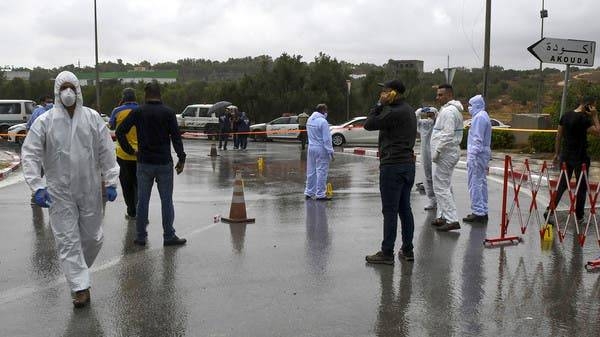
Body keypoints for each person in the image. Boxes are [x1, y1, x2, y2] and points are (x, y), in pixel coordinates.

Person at [21, 71, 119, 308]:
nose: (67, 92)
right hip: (59, 192)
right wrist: (37, 186)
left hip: (90, 188)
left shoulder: (92, 118)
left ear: (78, 90)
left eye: (71, 87)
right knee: (67, 240)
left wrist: (112, 179)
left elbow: (106, 149)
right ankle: (80, 288)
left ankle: (78, 273)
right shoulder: (45, 121)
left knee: (93, 238)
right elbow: (30, 152)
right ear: (57, 92)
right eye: (63, 87)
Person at [116, 81, 187, 247]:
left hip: (144, 163)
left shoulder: (138, 112)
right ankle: (169, 236)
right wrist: (181, 158)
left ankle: (141, 236)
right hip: (164, 163)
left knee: (142, 201)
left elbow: (120, 131)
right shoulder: (169, 113)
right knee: (166, 201)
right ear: (160, 94)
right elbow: (176, 138)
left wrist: (130, 151)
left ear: (145, 95)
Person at [364, 79, 417, 264]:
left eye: (385, 92)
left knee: (390, 210)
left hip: (393, 166)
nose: (381, 95)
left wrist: (379, 105)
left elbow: (369, 124)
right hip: (407, 165)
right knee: (405, 209)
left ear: (394, 93)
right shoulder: (408, 109)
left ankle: (387, 253)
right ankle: (408, 250)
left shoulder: (393, 111)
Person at [544, 96, 600, 224]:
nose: (594, 109)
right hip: (581, 158)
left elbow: (558, 136)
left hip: (565, 155)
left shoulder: (566, 116)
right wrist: (595, 116)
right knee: (581, 187)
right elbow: (598, 132)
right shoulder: (584, 119)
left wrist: (556, 154)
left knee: (562, 184)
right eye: (593, 106)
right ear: (588, 106)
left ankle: (550, 209)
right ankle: (579, 216)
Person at [430, 84, 464, 232]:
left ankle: (452, 219)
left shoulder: (449, 112)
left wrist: (437, 150)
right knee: (444, 185)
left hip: (446, 153)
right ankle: (443, 216)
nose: (438, 97)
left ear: (449, 95)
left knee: (441, 186)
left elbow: (448, 133)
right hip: (448, 152)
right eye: (437, 95)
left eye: (441, 95)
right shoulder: (448, 110)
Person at [109, 88, 139, 220]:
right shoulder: (141, 109)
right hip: (140, 154)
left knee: (126, 184)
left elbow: (112, 126)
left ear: (123, 98)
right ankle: (140, 210)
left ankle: (131, 211)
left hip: (123, 154)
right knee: (139, 184)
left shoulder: (117, 110)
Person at [463, 95, 492, 223]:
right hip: (482, 155)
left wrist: (472, 156)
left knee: (474, 183)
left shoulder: (479, 117)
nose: (469, 107)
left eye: (470, 105)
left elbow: (477, 139)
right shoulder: (483, 115)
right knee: (481, 183)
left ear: (477, 105)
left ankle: (478, 212)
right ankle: (483, 210)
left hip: (477, 155)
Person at [304, 104, 334, 201]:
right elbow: (327, 139)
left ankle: (309, 192)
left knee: (311, 171)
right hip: (321, 149)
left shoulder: (309, 119)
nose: (327, 113)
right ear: (323, 111)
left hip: (311, 147)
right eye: (326, 111)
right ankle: (320, 194)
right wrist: (330, 151)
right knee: (322, 171)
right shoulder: (323, 122)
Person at [416, 106, 438, 211]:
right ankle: (432, 200)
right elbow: (414, 119)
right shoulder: (423, 124)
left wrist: (433, 111)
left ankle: (440, 199)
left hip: (435, 152)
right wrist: (420, 111)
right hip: (425, 152)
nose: (429, 117)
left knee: (437, 176)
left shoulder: (437, 124)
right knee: (427, 175)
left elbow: (438, 117)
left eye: (431, 114)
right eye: (427, 114)